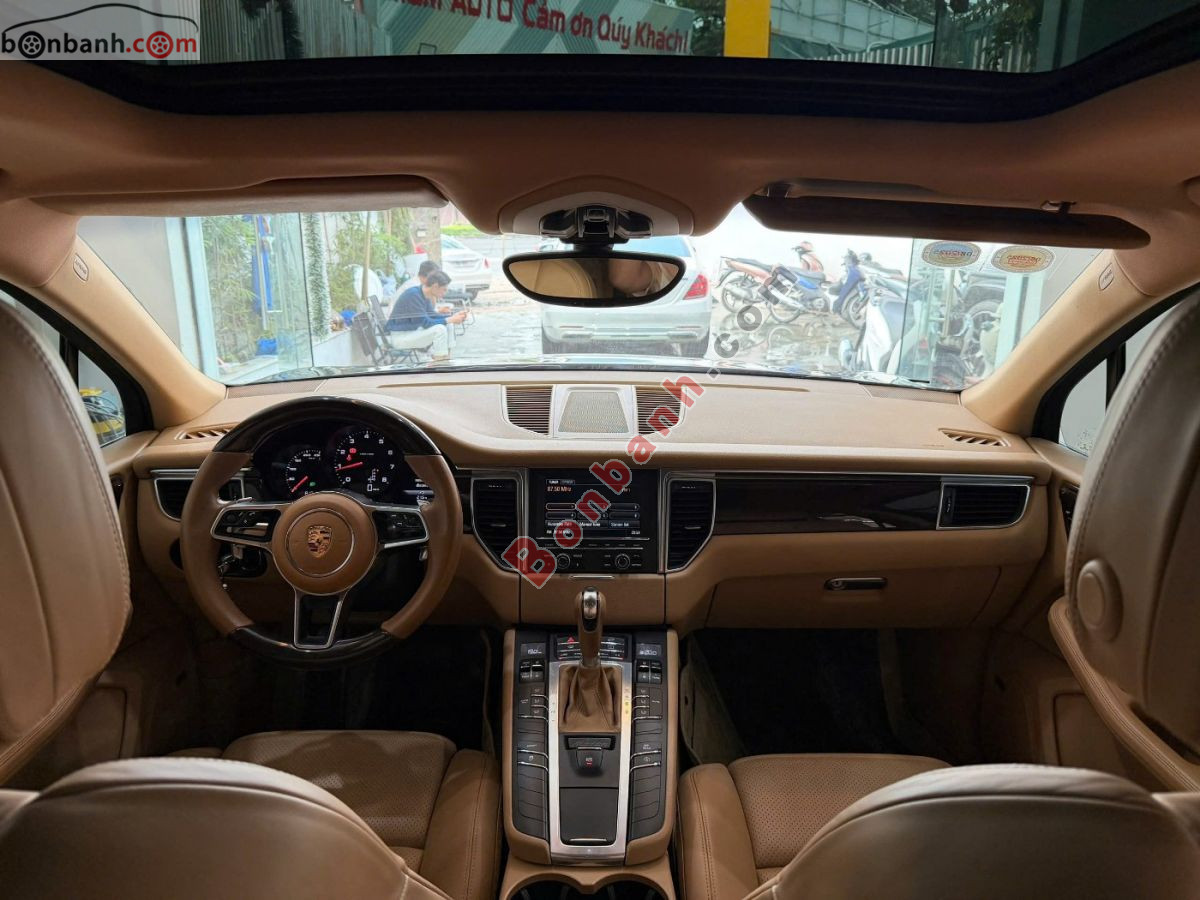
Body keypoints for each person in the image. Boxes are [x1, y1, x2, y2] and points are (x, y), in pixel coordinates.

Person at [386, 270, 466, 360]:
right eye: (444, 289)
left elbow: (432, 315)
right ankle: (440, 361)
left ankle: (446, 358)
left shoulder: (423, 294)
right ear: (435, 286)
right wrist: (450, 319)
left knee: (449, 324)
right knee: (440, 329)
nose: (445, 293)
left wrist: (453, 317)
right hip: (400, 338)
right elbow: (426, 323)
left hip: (412, 332)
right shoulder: (413, 295)